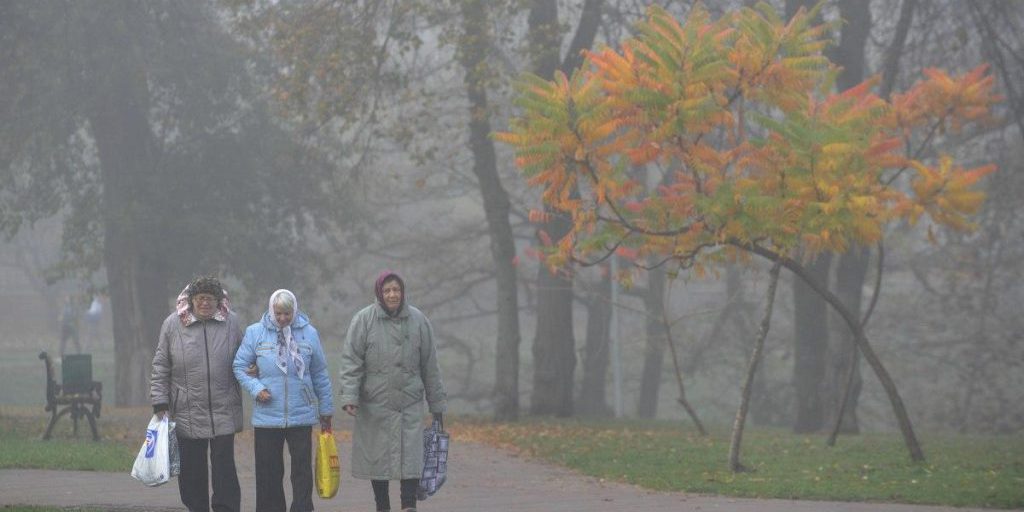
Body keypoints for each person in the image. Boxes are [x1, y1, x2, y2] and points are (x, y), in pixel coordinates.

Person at [338, 271, 447, 512]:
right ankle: (382, 506)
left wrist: (436, 405)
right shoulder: (363, 320)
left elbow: (430, 365)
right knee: (378, 459)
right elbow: (351, 361)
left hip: (409, 403)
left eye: (396, 290)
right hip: (375, 404)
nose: (392, 294)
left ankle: (409, 505)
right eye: (387, 290)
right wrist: (349, 396)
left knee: (411, 457)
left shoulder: (419, 321)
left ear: (403, 292)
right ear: (379, 293)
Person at [233, 289, 333, 512]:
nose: (282, 319)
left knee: (302, 472)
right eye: (278, 313)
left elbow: (320, 374)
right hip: (267, 416)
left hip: (302, 414)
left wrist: (326, 410)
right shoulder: (255, 333)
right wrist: (256, 388)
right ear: (271, 310)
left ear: (294, 311)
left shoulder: (309, 333)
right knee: (269, 472)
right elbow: (239, 366)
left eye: (287, 314)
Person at [150, 276, 244, 512]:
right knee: (192, 470)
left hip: (224, 406)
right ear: (191, 300)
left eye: (211, 299)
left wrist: (253, 368)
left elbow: (245, 357)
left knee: (224, 468)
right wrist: (159, 400)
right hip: (187, 409)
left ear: (219, 301)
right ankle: (196, 507)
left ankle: (226, 508)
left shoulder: (232, 323)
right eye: (201, 298)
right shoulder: (172, 324)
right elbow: (161, 364)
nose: (205, 304)